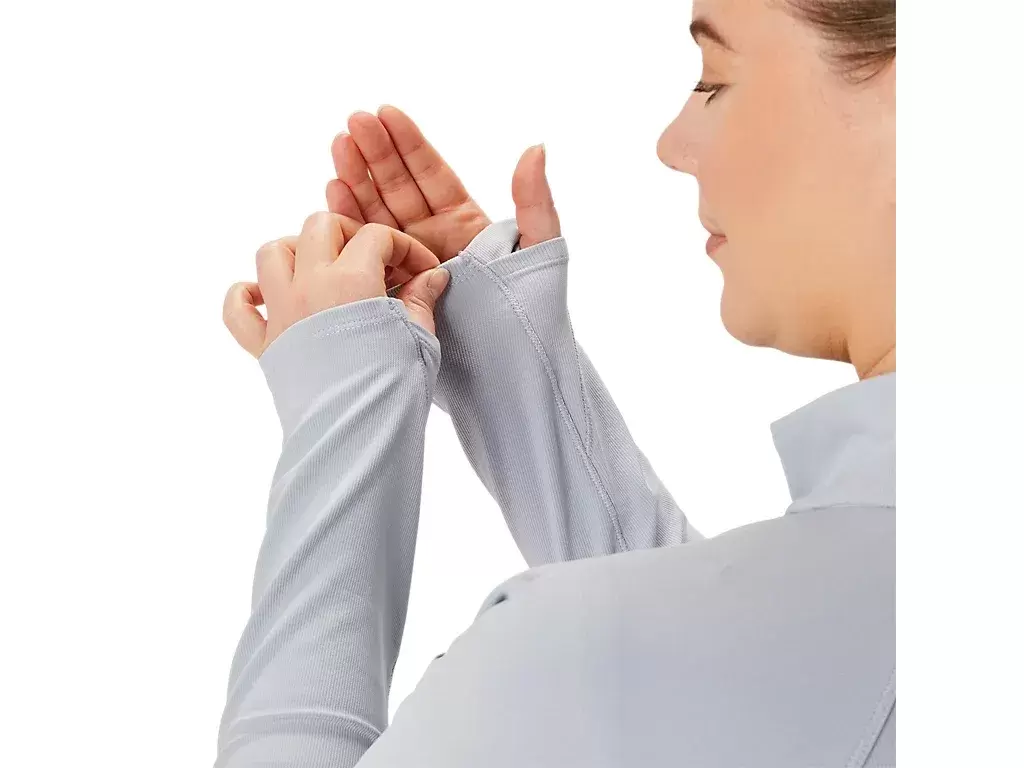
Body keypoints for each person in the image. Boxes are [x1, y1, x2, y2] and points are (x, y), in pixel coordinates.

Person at [217, 0, 895, 765]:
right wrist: (515, 384)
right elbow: (787, 706)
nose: (673, 144)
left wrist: (345, 411)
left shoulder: (537, 656)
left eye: (714, 80)